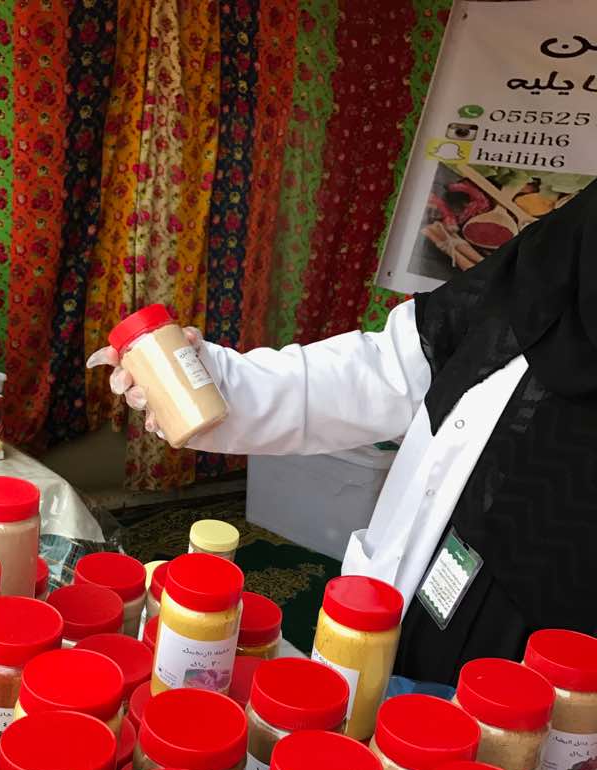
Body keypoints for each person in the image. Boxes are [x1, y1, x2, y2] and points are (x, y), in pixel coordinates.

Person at [89, 182, 597, 685]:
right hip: (415, 589)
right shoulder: (560, 252)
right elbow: (400, 364)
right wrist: (216, 380)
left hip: (545, 655)